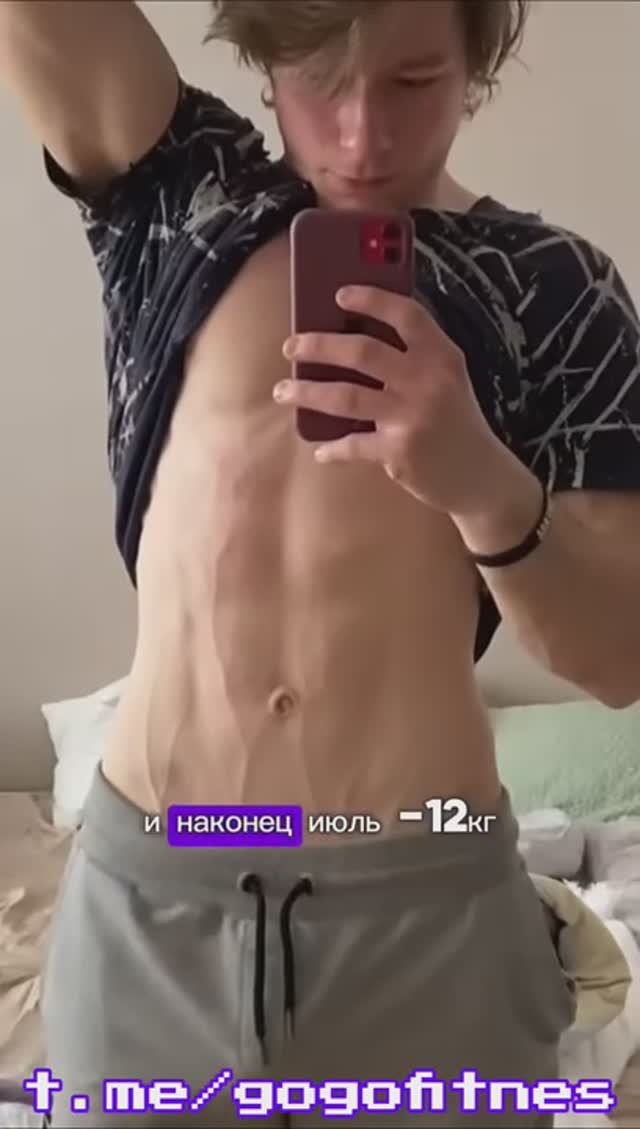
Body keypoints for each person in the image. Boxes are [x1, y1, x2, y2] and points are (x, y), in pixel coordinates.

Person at [2, 0, 640, 1125]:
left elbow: (617, 656)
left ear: (475, 62)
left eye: (411, 83)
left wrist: (481, 482)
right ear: (264, 59)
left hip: (428, 908)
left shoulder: (554, 290)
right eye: (320, 81)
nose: (361, 137)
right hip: (158, 894)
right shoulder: (180, 194)